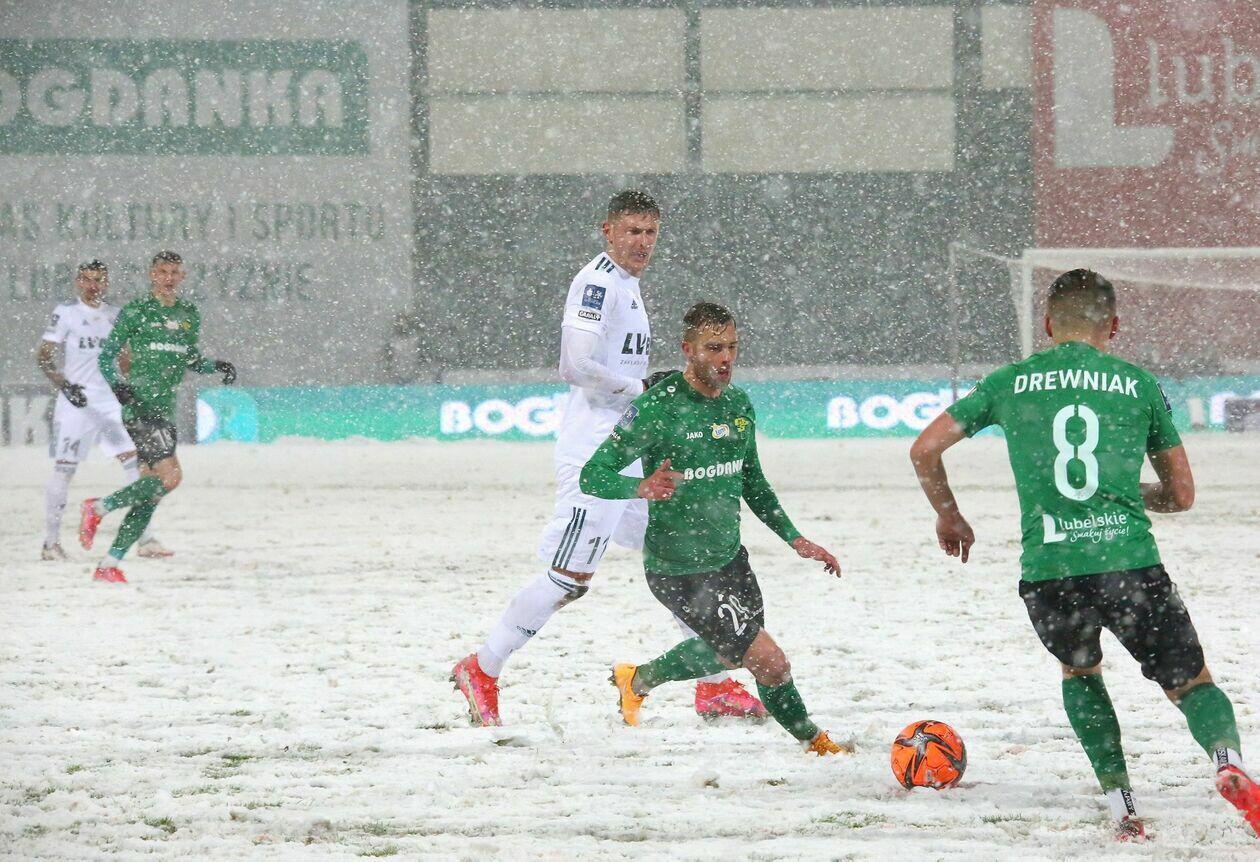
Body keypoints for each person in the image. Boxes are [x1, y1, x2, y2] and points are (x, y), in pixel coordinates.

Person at [910, 269, 1260, 841]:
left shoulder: (1009, 382)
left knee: (1080, 672)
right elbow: (1181, 496)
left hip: (1051, 570)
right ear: (1113, 326)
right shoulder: (1138, 384)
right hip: (1129, 565)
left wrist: (950, 515)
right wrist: (1124, 493)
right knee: (1192, 683)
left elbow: (924, 449)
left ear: (1048, 325)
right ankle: (1227, 761)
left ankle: (1123, 806)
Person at [453, 192, 767, 726]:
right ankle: (481, 668)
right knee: (569, 578)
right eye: (632, 231)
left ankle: (714, 687)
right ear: (608, 231)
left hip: (629, 450)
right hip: (595, 457)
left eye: (650, 232)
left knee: (684, 555)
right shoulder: (596, 284)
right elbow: (574, 365)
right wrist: (639, 388)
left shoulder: (627, 285)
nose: (642, 242)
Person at [580, 302, 848, 755]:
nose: (725, 358)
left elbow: (752, 482)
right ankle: (817, 742)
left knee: (729, 653)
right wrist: (640, 486)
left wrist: (796, 538)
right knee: (770, 662)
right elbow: (593, 475)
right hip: (679, 568)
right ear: (688, 350)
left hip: (729, 558)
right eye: (714, 348)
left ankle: (638, 679)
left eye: (732, 348)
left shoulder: (738, 405)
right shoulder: (656, 409)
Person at [77, 251, 237, 584]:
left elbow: (190, 359)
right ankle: (98, 507)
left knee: (152, 491)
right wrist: (120, 387)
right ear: (152, 275)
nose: (169, 278)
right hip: (142, 405)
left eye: (175, 272)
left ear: (183, 276)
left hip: (165, 407)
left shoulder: (188, 313)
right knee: (171, 477)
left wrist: (216, 365)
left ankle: (109, 564)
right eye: (163, 272)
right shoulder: (137, 311)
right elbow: (106, 357)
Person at [37, 260, 172, 561]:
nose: (92, 285)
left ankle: (146, 539)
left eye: (98, 280)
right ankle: (51, 544)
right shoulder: (66, 313)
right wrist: (64, 384)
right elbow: (44, 357)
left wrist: (134, 384)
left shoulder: (115, 315)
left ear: (106, 283)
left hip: (110, 403)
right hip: (77, 403)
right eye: (87, 279)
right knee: (64, 469)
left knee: (136, 466)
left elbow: (125, 358)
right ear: (78, 282)